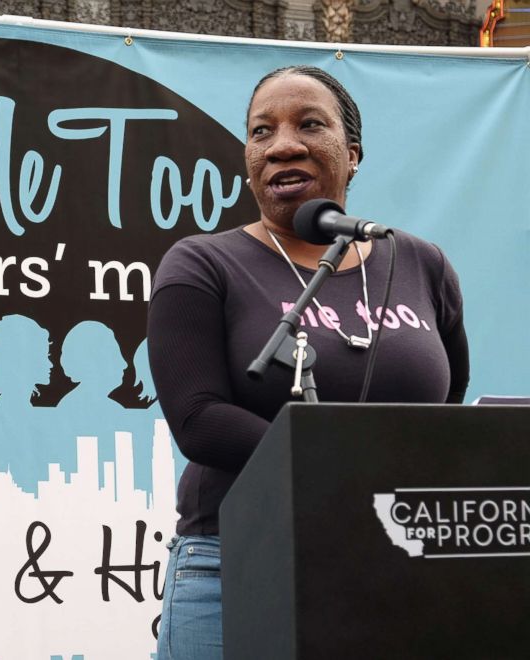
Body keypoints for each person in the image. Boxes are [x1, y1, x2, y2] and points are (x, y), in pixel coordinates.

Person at [148, 65, 469, 660]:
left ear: (351, 154)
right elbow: (197, 416)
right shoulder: (201, 264)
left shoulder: (421, 264)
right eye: (261, 131)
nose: (282, 144)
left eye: (309, 124)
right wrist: (337, 474)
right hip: (237, 566)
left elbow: (445, 410)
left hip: (394, 564)